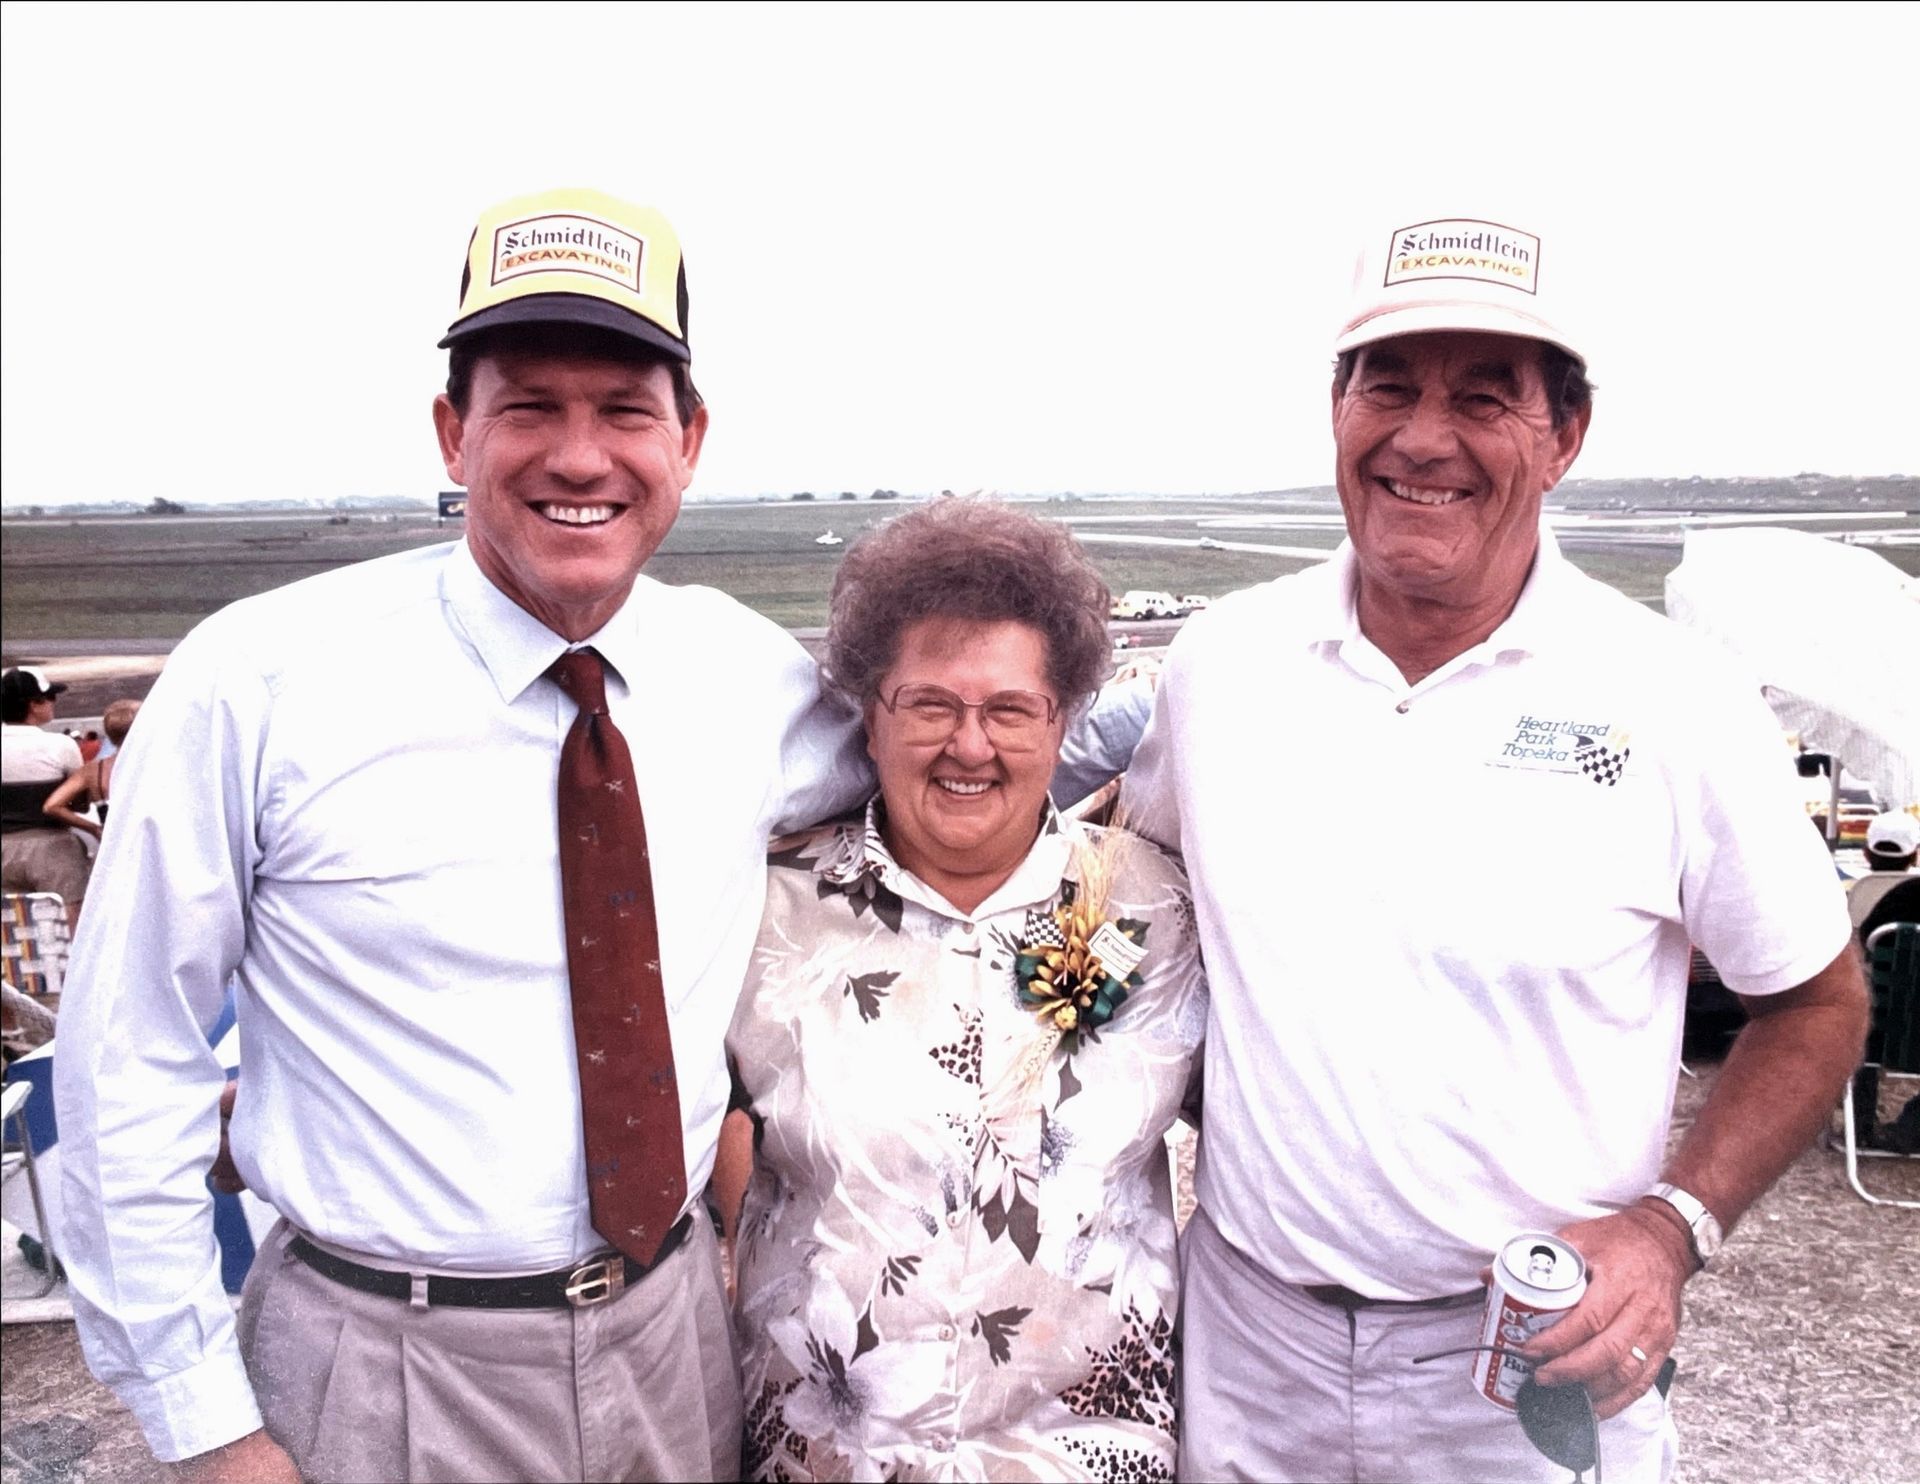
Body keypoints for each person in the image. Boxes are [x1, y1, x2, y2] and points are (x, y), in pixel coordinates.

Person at [53, 188, 871, 1484]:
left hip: (674, 1344)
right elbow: (123, 1063)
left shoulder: (745, 675)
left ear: (691, 439)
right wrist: (207, 1429)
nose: (580, 455)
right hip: (381, 1371)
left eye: (623, 410)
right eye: (530, 407)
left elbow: (942, 764)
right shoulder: (259, 685)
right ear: (453, 430)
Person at [1122, 210, 1867, 1482]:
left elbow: (1817, 999)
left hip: (1534, 1368)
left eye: (1486, 396)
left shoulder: (1676, 698)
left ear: (1566, 435)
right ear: (1336, 408)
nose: (1423, 436)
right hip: (1246, 1351)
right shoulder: (1220, 666)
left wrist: (1671, 1225)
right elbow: (1144, 905)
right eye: (1387, 384)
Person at [727, 499, 1205, 1480]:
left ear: (1064, 715)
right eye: (931, 704)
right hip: (829, 1457)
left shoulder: (1154, 909)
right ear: (871, 714)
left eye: (1009, 709)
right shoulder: (759, 911)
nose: (969, 745)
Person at [1848, 810, 1920, 1153]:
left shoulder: (1866, 899)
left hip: (1877, 1031)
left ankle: (1859, 1124)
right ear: (1916, 854)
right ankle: (1913, 1124)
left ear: (1866, 852)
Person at [1, 665, 90, 924]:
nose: (54, 703)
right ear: (34, 704)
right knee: (68, 925)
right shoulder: (60, 745)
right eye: (50, 697)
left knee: (11, 932)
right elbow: (80, 804)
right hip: (51, 847)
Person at [41, 698, 141, 837]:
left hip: (115, 844)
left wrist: (93, 828)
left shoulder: (93, 770)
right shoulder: (159, 764)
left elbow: (51, 806)